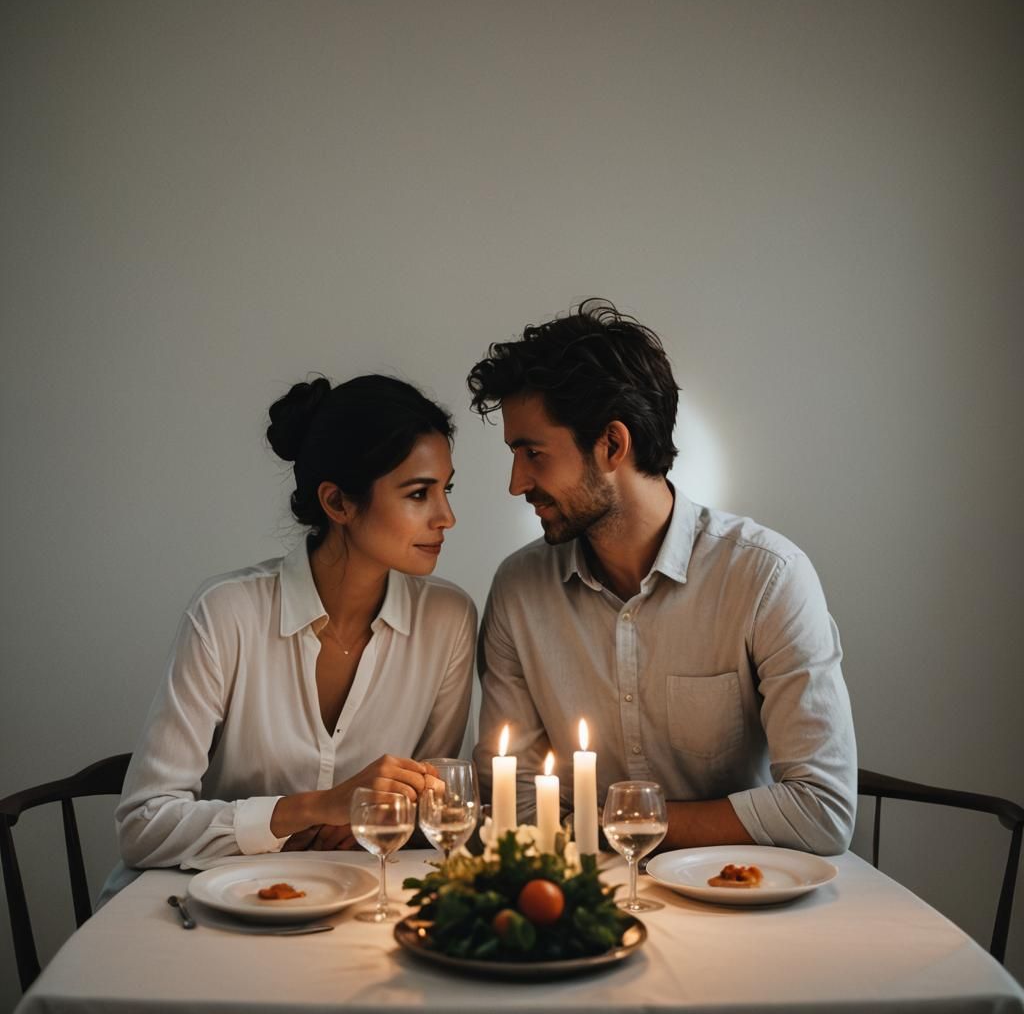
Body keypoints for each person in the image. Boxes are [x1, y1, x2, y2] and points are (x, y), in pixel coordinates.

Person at [468, 300, 856, 856]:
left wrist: (619, 825)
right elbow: (519, 804)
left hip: (740, 902)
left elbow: (822, 809)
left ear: (612, 445)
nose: (516, 482)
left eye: (532, 453)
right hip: (584, 904)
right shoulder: (518, 590)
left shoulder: (767, 578)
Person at [106, 374, 476, 892]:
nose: (448, 517)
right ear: (338, 503)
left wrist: (391, 815)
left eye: (446, 489)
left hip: (354, 907)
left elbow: (429, 803)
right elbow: (143, 827)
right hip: (200, 907)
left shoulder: (449, 619)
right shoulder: (227, 613)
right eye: (419, 493)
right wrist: (312, 808)